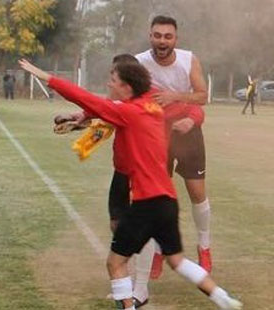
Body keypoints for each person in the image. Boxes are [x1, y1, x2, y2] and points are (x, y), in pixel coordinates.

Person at [19, 58, 242, 310]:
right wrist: (83, 119)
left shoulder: (128, 113)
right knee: (177, 261)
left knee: (115, 263)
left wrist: (46, 77)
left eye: (113, 80)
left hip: (146, 203)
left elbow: (86, 98)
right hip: (167, 202)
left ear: (126, 87)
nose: (108, 83)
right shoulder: (152, 107)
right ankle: (221, 297)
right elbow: (105, 106)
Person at [133, 16, 215, 285]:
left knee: (196, 192)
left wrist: (175, 98)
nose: (162, 41)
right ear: (150, 36)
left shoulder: (188, 60)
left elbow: (203, 95)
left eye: (167, 36)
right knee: (158, 196)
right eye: (157, 35)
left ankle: (204, 246)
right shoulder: (139, 62)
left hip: (187, 130)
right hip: (155, 134)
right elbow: (123, 97)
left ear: (175, 39)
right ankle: (158, 250)